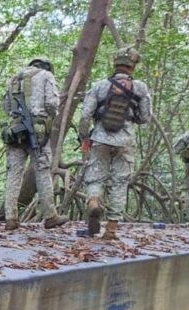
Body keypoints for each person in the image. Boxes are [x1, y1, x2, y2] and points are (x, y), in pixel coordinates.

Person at [78, 47, 153, 240]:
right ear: (132, 66)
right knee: (120, 183)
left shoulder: (99, 86)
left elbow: (85, 115)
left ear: (115, 64)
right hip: (125, 141)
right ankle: (111, 230)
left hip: (100, 138)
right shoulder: (140, 88)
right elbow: (145, 118)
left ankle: (94, 202)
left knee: (95, 178)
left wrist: (84, 137)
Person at [0, 57, 68, 231]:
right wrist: (48, 118)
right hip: (37, 131)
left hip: (15, 131)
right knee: (43, 171)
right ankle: (50, 216)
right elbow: (52, 104)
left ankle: (10, 218)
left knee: (13, 173)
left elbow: (6, 106)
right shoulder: (46, 76)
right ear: (47, 67)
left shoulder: (14, 78)